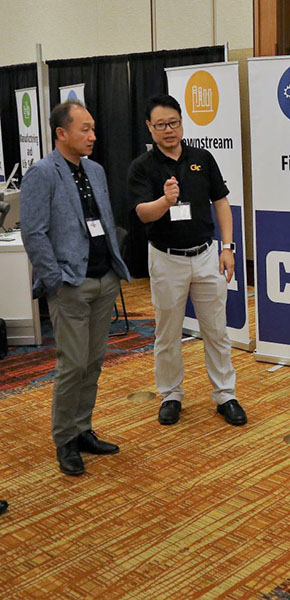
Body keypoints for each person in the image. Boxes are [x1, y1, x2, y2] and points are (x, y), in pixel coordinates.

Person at [20, 100, 130, 476]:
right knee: (72, 364)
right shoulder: (42, 173)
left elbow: (105, 218)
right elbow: (33, 233)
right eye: (85, 129)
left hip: (103, 280)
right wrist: (56, 282)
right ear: (61, 133)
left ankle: (83, 429)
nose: (93, 136)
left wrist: (114, 267)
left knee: (94, 360)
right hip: (70, 285)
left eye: (94, 129)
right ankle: (64, 438)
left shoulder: (95, 170)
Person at [127, 94, 246, 427]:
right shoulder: (142, 167)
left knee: (217, 331)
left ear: (182, 122)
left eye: (174, 122)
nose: (169, 130)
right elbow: (142, 214)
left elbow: (221, 203)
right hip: (166, 259)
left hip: (206, 254)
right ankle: (171, 395)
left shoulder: (202, 158)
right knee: (168, 333)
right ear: (150, 127)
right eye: (161, 124)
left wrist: (228, 247)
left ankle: (226, 394)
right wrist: (165, 200)